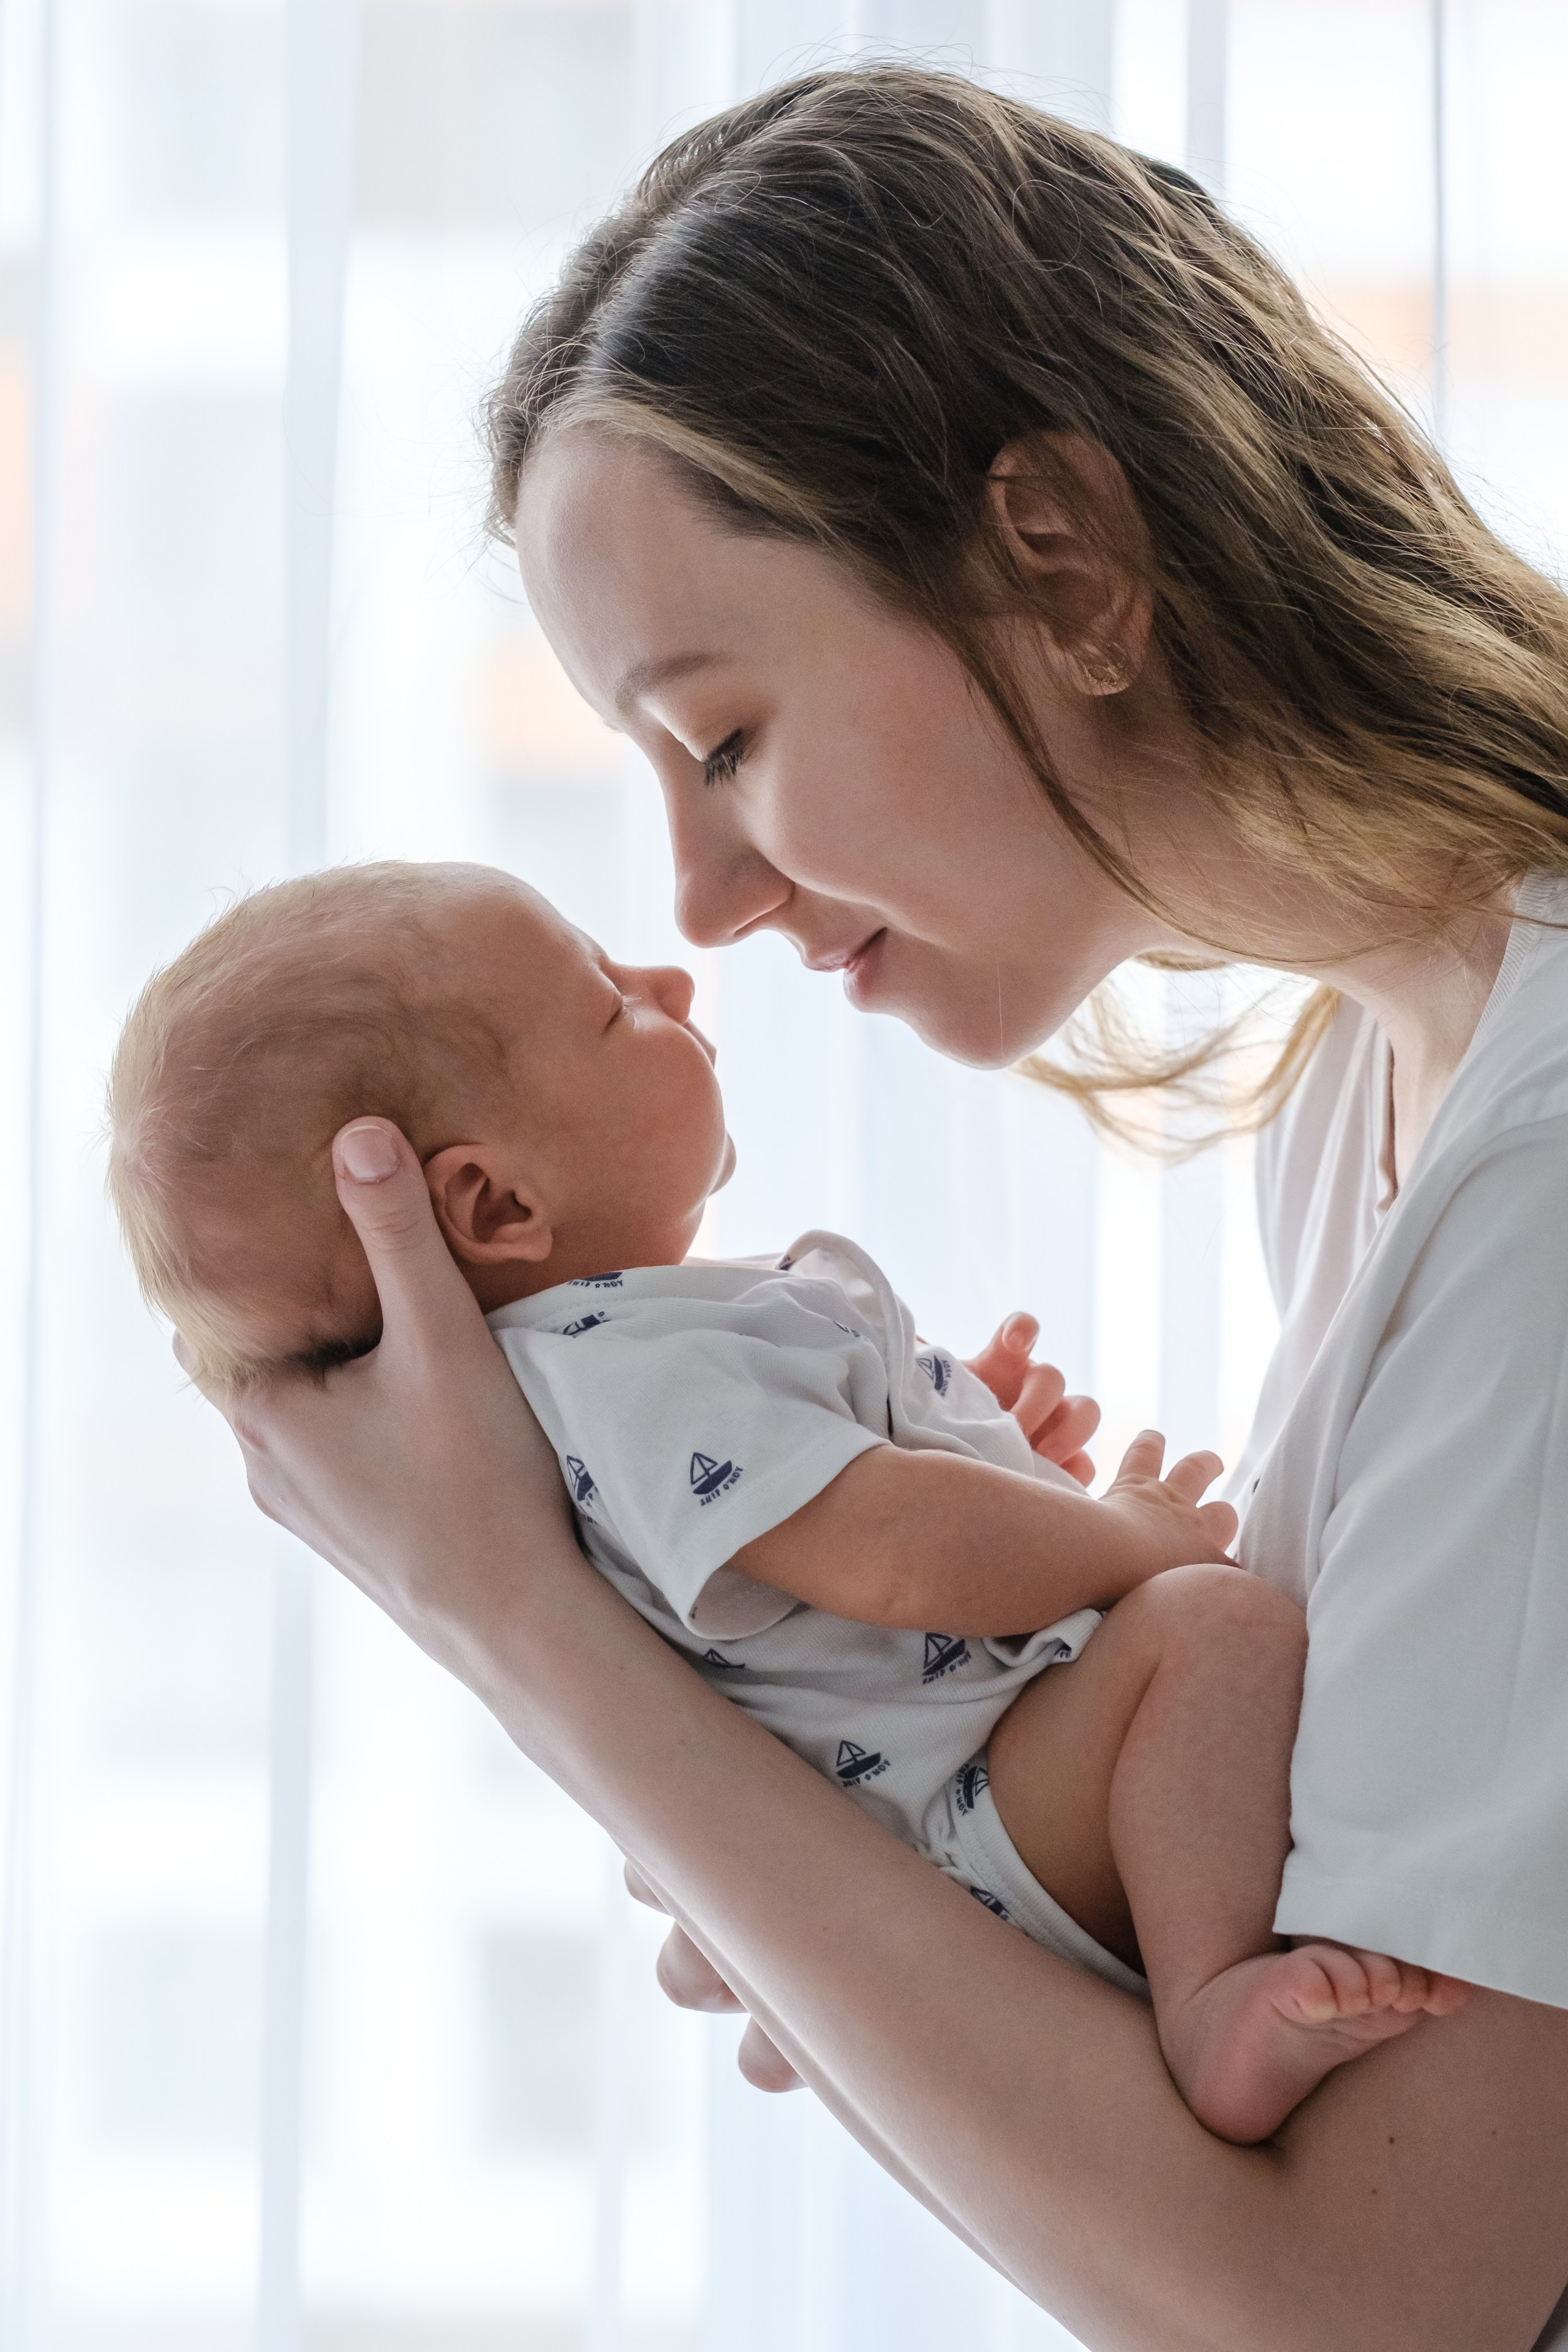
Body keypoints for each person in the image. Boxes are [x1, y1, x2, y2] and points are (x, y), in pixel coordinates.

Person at [189, 67, 1568, 2350]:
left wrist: (525, 1624)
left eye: (720, 739)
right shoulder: (1372, 1093)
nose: (703, 900)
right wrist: (893, 1938)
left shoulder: (1531, 1162)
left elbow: (1375, 2307)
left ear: (1063, 561)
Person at [110, 860, 1468, 2144]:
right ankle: (1207, 1998)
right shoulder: (627, 1370)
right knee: (1212, 1631)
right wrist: (1114, 1536)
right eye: (610, 1003)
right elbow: (886, 1556)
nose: (676, 981)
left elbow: (857, 1540)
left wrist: (955, 1440)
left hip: (965, 1793)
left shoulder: (617, 1363)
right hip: (969, 1823)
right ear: (492, 1202)